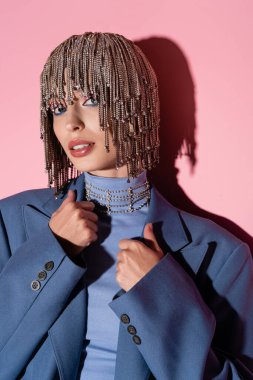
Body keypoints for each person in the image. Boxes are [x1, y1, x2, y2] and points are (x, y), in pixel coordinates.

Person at [0, 32, 252, 380]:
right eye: (58, 107)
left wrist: (161, 294)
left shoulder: (222, 255)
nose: (71, 122)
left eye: (89, 100)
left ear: (136, 106)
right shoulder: (10, 223)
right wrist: (52, 251)